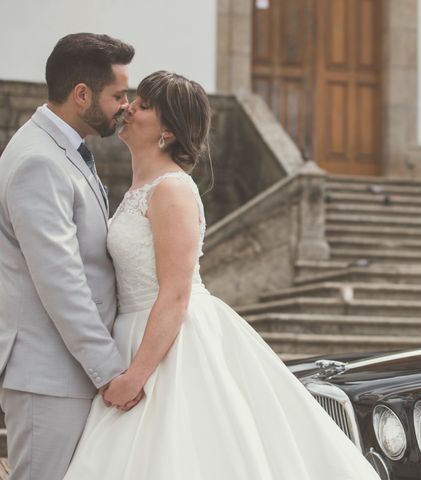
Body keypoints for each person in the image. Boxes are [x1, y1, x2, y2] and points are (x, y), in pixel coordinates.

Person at [62, 70, 381, 479]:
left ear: (168, 132)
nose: (128, 109)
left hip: (170, 342)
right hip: (132, 335)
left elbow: (176, 293)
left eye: (143, 106)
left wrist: (137, 375)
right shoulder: (140, 187)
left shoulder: (171, 190)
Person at [0, 33, 135, 480]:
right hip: (49, 376)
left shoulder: (62, 148)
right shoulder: (38, 160)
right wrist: (109, 370)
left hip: (67, 370)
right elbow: (61, 280)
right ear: (82, 94)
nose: (126, 105)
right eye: (118, 94)